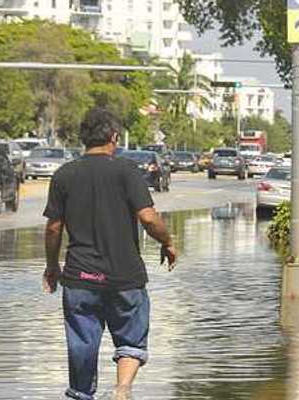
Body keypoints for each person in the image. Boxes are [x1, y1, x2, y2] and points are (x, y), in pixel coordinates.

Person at [43, 108, 179, 400]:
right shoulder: (127, 171)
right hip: (124, 276)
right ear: (114, 137)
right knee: (131, 338)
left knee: (82, 343)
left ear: (83, 138)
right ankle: (123, 388)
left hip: (79, 276)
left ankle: (82, 394)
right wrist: (167, 242)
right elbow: (148, 218)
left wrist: (52, 266)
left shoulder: (64, 174)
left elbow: (54, 228)